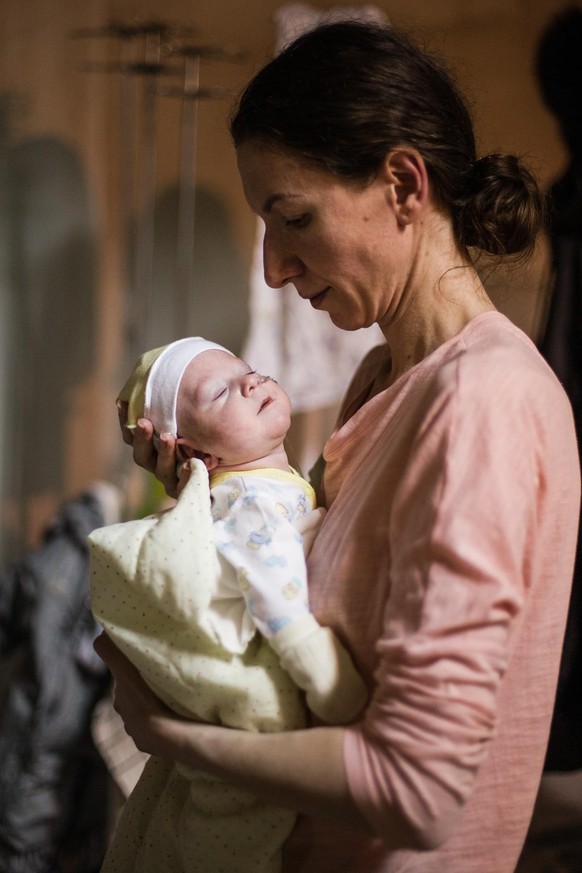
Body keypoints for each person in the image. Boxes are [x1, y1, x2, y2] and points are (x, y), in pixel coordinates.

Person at [95, 19, 581, 873]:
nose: (276, 266)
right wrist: (210, 501)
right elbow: (300, 601)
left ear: (402, 183)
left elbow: (418, 790)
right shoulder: (384, 377)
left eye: (293, 218)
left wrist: (174, 734)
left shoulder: (482, 401)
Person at [89, 336, 366, 873]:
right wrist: (317, 665)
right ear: (197, 455)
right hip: (261, 694)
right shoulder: (253, 499)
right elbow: (271, 580)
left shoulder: (271, 481)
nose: (253, 382)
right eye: (221, 392)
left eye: (251, 371)